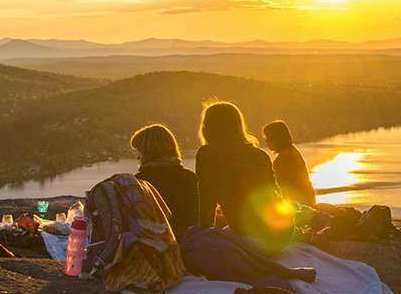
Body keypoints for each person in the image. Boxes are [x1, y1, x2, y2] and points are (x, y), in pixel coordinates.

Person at [195, 100, 293, 251]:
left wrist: (203, 239)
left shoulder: (207, 154)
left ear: (207, 127)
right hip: (284, 233)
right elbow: (276, 194)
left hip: (252, 236)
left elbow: (207, 200)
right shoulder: (260, 154)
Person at [131, 123, 198, 241]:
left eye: (139, 152)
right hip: (190, 244)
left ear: (148, 152)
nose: (138, 157)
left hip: (157, 249)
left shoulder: (141, 182)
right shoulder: (190, 177)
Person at [261, 120, 317, 207]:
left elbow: (274, 184)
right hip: (307, 200)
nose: (266, 142)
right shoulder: (293, 151)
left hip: (297, 204)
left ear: (275, 139)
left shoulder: (283, 159)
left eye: (268, 138)